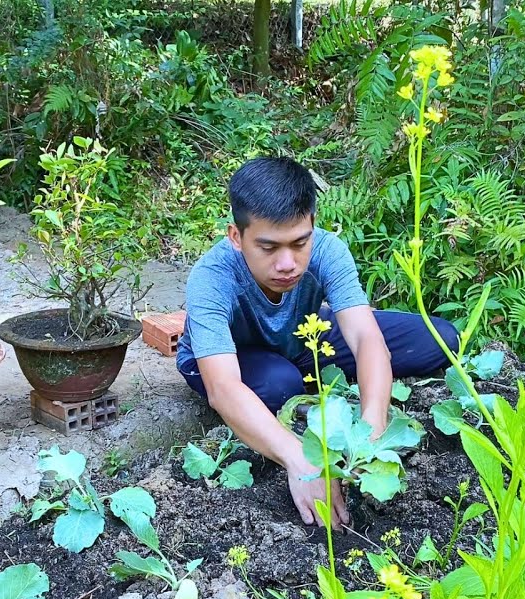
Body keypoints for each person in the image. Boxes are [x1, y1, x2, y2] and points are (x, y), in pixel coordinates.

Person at [177, 157, 459, 530]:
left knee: (438, 338)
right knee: (280, 384)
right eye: (269, 247)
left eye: (299, 243)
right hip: (227, 356)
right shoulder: (212, 276)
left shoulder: (327, 250)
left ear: (311, 226)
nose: (287, 263)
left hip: (302, 337)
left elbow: (366, 337)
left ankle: (306, 384)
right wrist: (301, 460)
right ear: (236, 236)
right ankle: (293, 395)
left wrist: (370, 433)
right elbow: (223, 386)